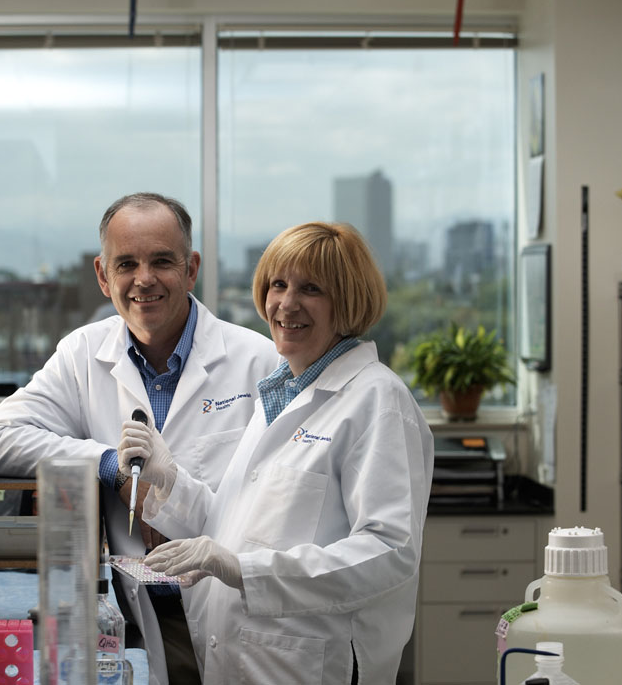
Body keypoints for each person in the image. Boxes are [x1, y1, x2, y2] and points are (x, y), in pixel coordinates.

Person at [0, 192, 278, 684]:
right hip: (140, 618)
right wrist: (107, 464)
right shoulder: (83, 354)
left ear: (192, 268)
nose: (144, 279)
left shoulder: (258, 362)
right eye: (126, 264)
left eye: (162, 261)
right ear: (102, 275)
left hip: (237, 612)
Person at [118, 221, 434, 685]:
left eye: (311, 289)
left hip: (307, 665)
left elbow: (389, 554)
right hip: (242, 659)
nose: (286, 304)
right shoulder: (281, 393)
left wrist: (242, 569)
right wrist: (171, 480)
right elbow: (235, 530)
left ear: (347, 301)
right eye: (278, 285)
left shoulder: (377, 400)